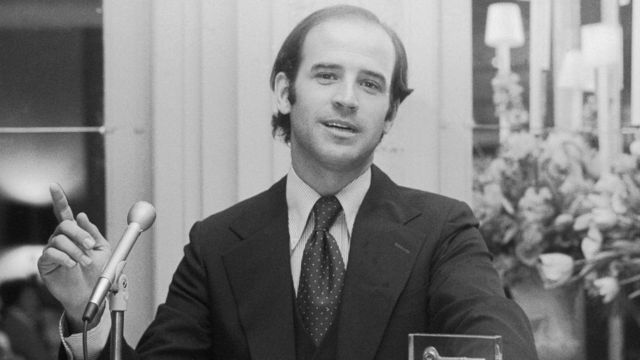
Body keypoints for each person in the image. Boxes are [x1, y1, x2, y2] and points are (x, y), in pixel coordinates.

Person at [38, 5, 538, 360]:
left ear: (389, 114)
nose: (347, 98)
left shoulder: (442, 229)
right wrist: (91, 315)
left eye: (370, 83)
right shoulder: (216, 245)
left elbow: (494, 334)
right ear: (284, 91)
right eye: (326, 75)